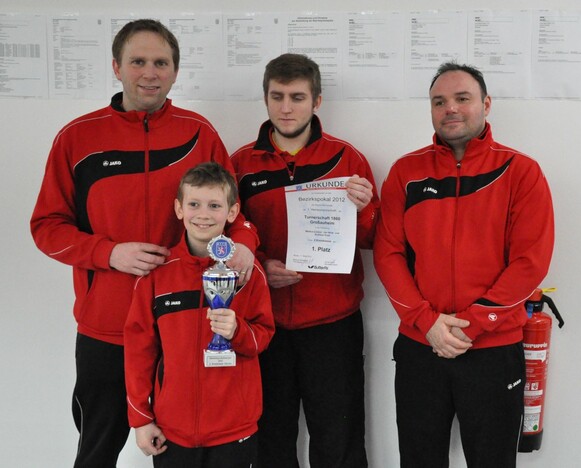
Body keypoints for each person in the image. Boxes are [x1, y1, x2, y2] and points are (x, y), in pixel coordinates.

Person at [30, 19, 257, 468]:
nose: (149, 73)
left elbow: (234, 212)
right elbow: (46, 227)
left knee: (181, 453)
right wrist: (109, 253)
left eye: (160, 63)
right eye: (138, 61)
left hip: (184, 326)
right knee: (97, 451)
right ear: (116, 67)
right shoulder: (77, 138)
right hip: (108, 330)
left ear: (175, 71)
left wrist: (246, 243)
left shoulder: (199, 132)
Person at [373, 62, 554, 468]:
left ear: (486, 105)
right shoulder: (406, 172)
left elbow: (530, 262)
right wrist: (428, 323)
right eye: (439, 102)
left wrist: (470, 325)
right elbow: (388, 254)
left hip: (493, 351)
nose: (450, 108)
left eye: (462, 98)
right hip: (422, 347)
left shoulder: (520, 171)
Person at [231, 53, 379, 468]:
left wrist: (365, 209)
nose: (286, 107)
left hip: (333, 325)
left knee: (339, 440)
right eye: (276, 96)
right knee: (271, 440)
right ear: (265, 98)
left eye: (297, 97)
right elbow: (227, 237)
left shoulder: (347, 159)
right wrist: (261, 268)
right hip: (264, 324)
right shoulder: (240, 164)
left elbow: (372, 239)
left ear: (317, 101)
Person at [124, 162, 275, 468]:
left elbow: (264, 335)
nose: (203, 214)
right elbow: (139, 349)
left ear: (232, 212)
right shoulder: (156, 275)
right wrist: (140, 418)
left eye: (214, 205)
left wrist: (237, 331)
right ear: (179, 208)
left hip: (234, 429)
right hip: (173, 430)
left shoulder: (247, 271)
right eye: (194, 204)